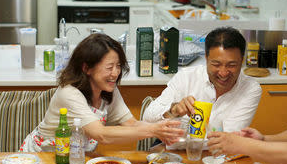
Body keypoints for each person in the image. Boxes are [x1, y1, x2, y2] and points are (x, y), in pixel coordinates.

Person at [20, 33, 182, 152]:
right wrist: (153, 130)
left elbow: (131, 124)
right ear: (86, 68)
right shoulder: (69, 93)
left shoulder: (108, 89)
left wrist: (161, 128)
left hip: (75, 158)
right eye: (109, 67)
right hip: (41, 159)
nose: (115, 73)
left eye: (118, 66)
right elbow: (101, 134)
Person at [143, 27, 262, 142]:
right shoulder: (186, 77)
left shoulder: (250, 89)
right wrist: (174, 110)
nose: (223, 73)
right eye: (216, 64)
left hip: (218, 154)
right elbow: (147, 119)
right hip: (175, 151)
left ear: (242, 60)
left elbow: (229, 137)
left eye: (231, 65)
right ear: (206, 57)